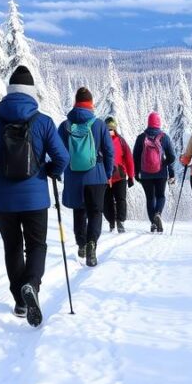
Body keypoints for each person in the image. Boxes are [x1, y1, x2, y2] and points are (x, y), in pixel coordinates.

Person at [0, 66, 68, 326]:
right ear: (32, 92)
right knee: (37, 245)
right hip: (36, 198)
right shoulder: (43, 121)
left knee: (12, 246)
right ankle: (31, 285)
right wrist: (49, 171)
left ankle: (20, 301)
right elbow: (63, 157)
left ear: (9, 91)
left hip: (4, 200)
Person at [57, 87, 113, 267]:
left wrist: (59, 172)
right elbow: (109, 151)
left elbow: (58, 152)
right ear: (91, 105)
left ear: (75, 103)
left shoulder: (65, 125)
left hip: (74, 177)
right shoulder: (99, 125)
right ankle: (91, 244)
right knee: (95, 212)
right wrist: (108, 173)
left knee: (79, 211)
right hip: (96, 176)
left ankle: (81, 244)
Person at [133, 112, 176, 233]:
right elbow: (172, 157)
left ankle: (153, 223)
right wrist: (168, 169)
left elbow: (135, 157)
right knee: (160, 196)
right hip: (161, 173)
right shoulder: (164, 137)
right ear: (159, 123)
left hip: (145, 174)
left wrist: (136, 173)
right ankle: (158, 214)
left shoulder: (141, 137)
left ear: (148, 122)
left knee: (150, 198)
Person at [103, 116, 135, 234]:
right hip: (119, 175)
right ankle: (118, 221)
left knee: (108, 200)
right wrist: (131, 176)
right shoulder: (121, 140)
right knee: (120, 199)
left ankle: (114, 221)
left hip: (107, 177)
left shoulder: (100, 140)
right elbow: (129, 158)